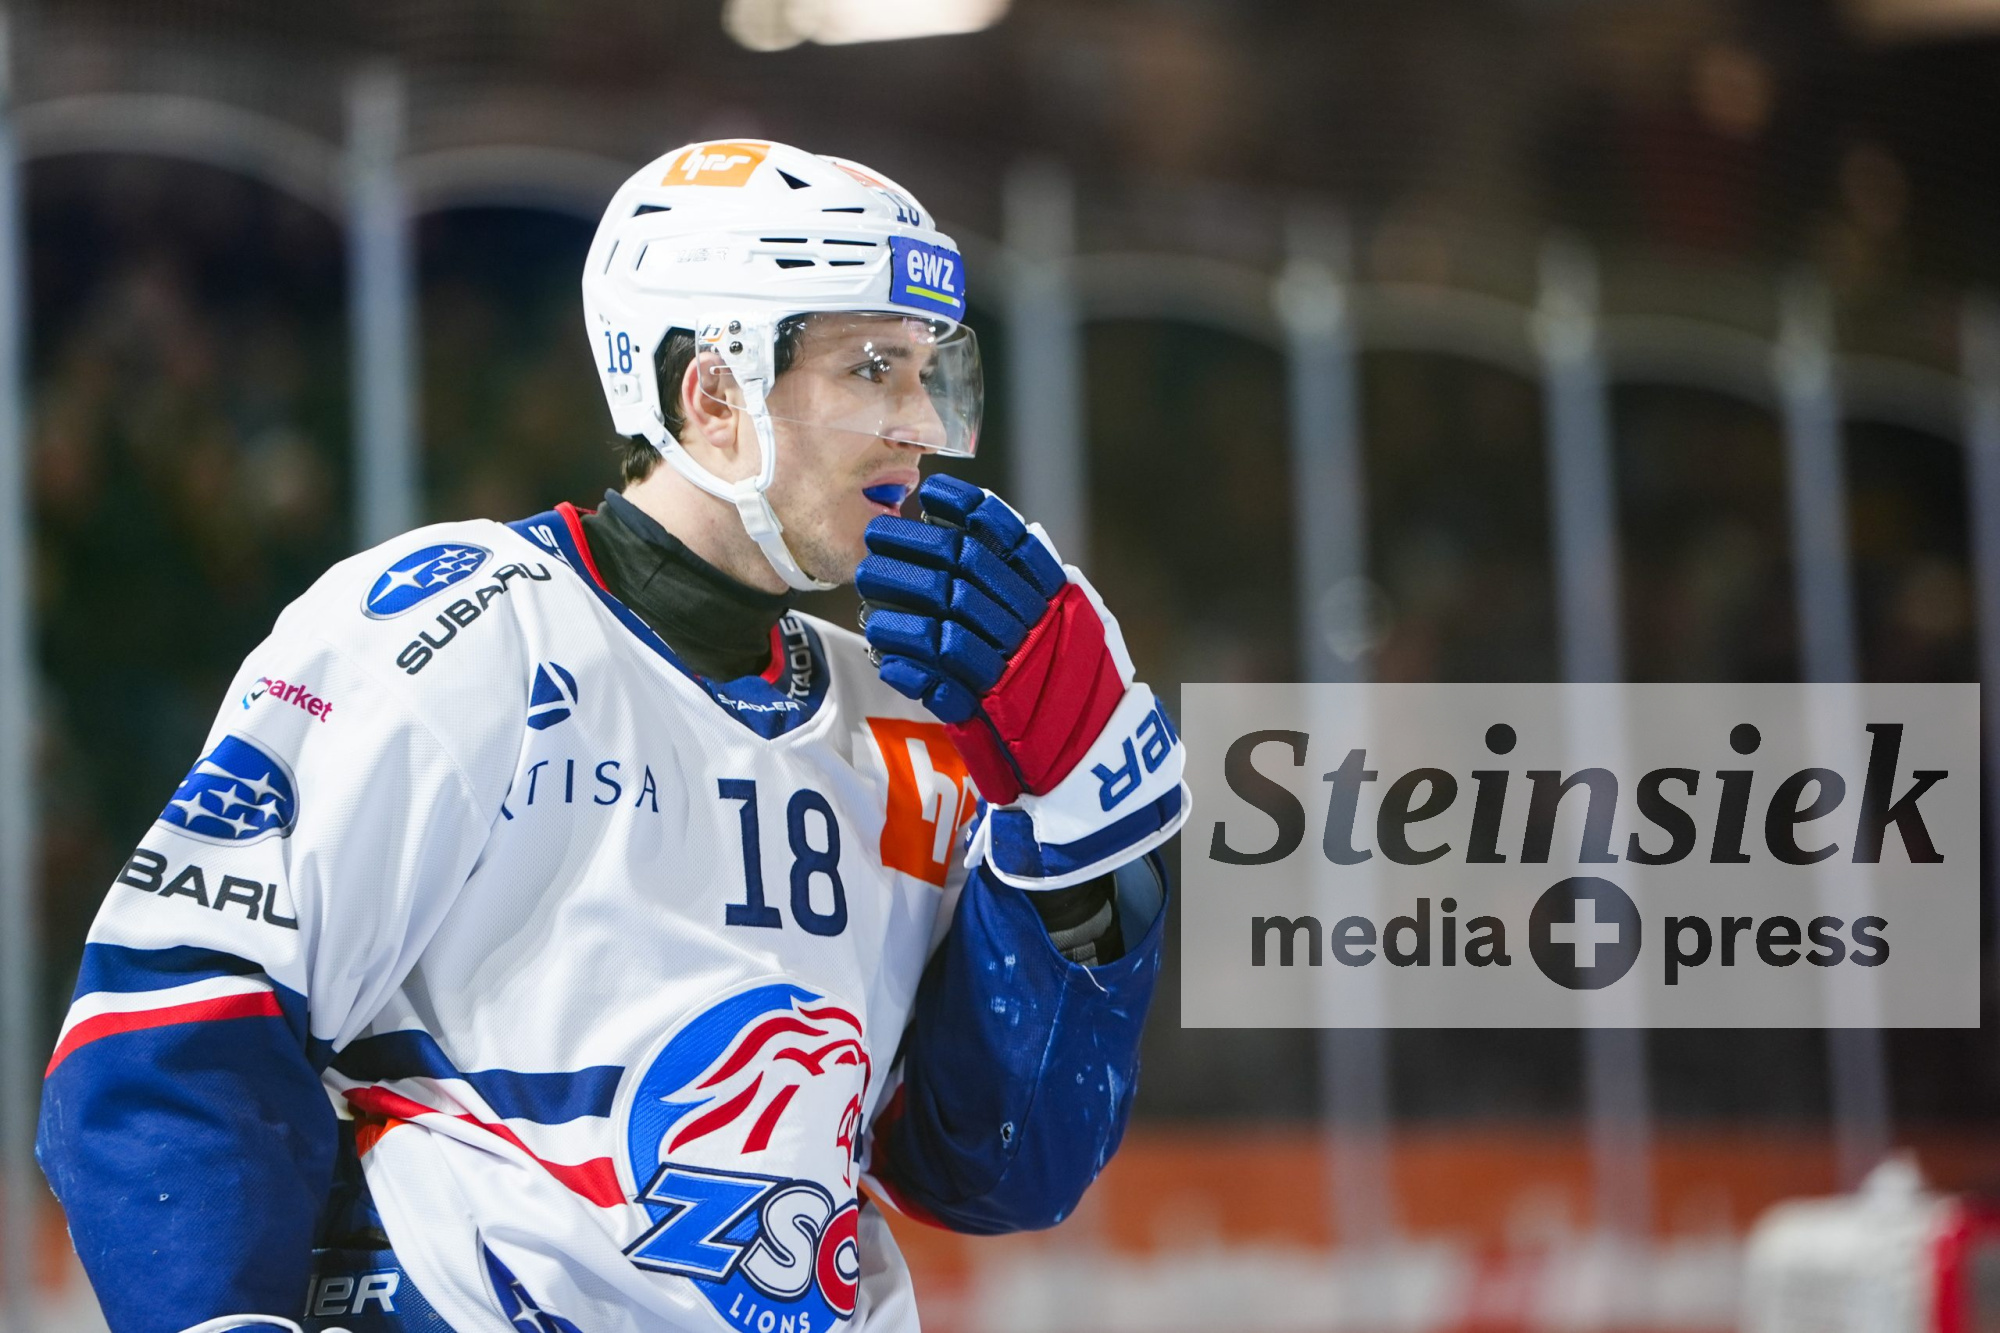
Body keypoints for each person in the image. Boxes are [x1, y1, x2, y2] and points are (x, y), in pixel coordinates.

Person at [36, 139, 1187, 1333]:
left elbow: (991, 1165)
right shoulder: (459, 630)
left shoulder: (904, 726)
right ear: (712, 394)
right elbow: (175, 1025)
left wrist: (1081, 817)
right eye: (871, 369)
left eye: (928, 371)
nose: (921, 425)